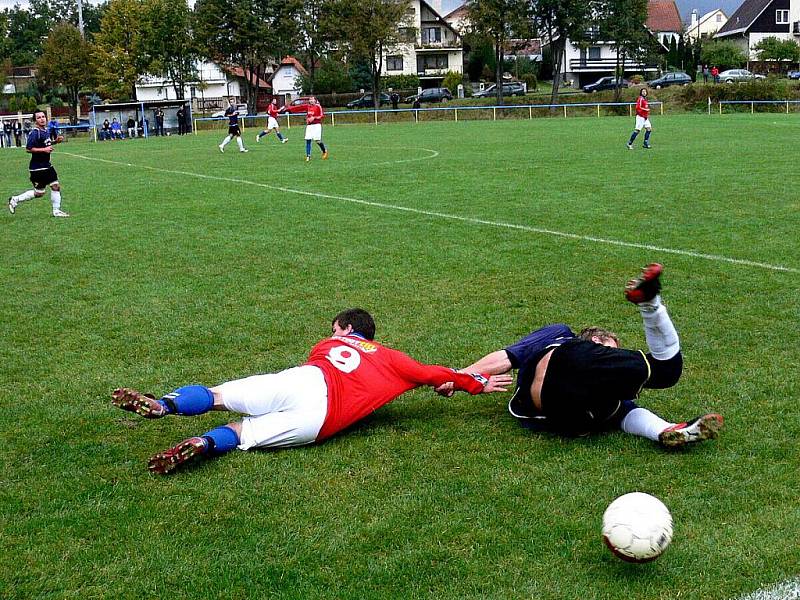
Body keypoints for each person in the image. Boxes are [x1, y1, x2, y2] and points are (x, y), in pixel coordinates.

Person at [111, 308, 511, 474]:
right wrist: (472, 383)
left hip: (305, 379)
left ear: (346, 330)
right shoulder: (393, 359)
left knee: (217, 396)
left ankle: (165, 405)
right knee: (241, 432)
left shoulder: (327, 347)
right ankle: (201, 442)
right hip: (322, 421)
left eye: (335, 326)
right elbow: (435, 373)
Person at [436, 264, 723, 448]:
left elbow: (508, 357)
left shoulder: (600, 383)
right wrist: (457, 376)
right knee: (665, 373)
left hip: (561, 416)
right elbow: (508, 356)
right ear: (597, 339)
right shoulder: (566, 336)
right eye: (612, 345)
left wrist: (458, 377)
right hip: (568, 398)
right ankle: (651, 305)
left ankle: (668, 430)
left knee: (622, 406)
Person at [8, 109, 70, 217]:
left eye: (43, 117)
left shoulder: (45, 131)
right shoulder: (35, 133)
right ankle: (15, 199)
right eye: (39, 117)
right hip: (37, 168)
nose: (42, 119)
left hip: (47, 165)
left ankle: (56, 211)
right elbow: (28, 148)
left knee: (56, 186)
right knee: (39, 193)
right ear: (35, 121)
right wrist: (44, 150)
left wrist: (56, 141)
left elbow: (46, 144)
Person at [304, 96, 327, 162]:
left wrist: (314, 118)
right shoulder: (308, 106)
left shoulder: (318, 106)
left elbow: (322, 115)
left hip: (317, 125)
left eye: (312, 99)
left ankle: (324, 151)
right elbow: (308, 115)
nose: (311, 100)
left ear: (315, 100)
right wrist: (307, 119)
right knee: (308, 140)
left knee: (317, 141)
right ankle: (308, 156)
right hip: (309, 126)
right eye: (310, 99)